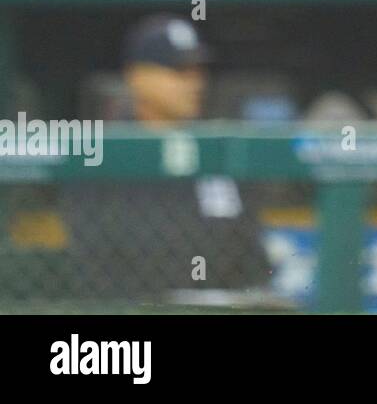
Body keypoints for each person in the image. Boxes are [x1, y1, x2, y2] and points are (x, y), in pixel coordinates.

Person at [63, 15, 273, 304]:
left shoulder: (217, 153)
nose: (195, 83)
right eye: (179, 71)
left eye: (198, 71)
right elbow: (94, 269)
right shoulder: (101, 159)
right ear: (137, 76)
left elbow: (253, 260)